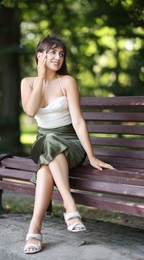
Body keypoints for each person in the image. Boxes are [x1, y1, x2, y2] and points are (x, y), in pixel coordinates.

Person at [21, 35, 114, 254]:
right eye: (52, 52)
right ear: (40, 55)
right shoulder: (28, 83)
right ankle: (69, 208)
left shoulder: (67, 82)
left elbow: (78, 121)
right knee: (45, 163)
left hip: (70, 144)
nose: (58, 57)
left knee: (47, 159)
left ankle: (36, 228)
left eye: (61, 54)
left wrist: (91, 156)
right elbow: (31, 111)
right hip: (44, 142)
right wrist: (41, 77)